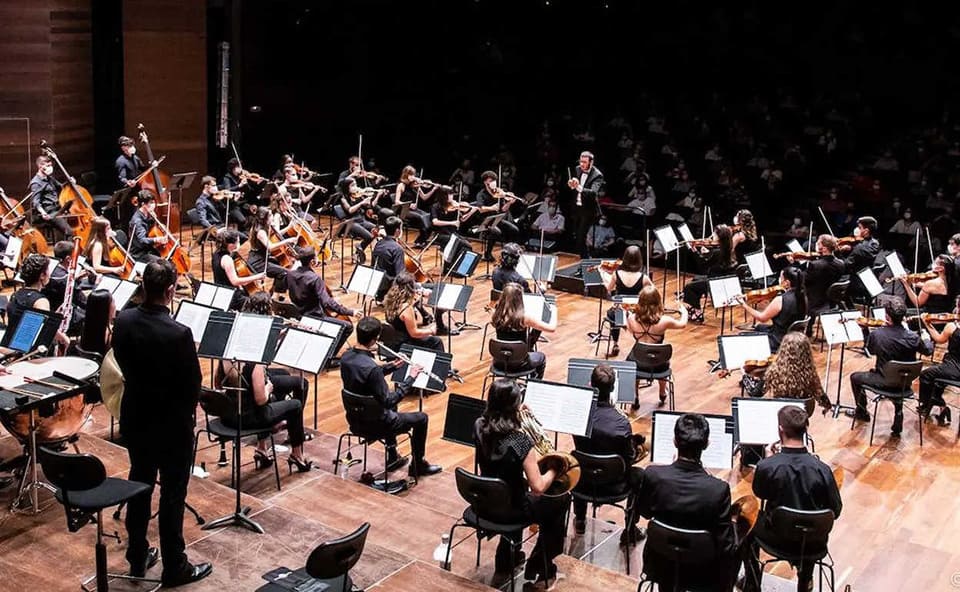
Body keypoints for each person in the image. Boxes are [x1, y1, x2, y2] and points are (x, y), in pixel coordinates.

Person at [113, 259, 212, 586]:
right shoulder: (179, 333)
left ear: (143, 286)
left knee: (139, 485)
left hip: (136, 418)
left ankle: (137, 557)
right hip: (171, 427)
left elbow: (121, 363)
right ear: (170, 291)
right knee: (172, 495)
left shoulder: (123, 321)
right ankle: (174, 566)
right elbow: (192, 385)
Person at [474, 379, 569, 584]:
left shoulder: (479, 425)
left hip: (487, 499)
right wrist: (554, 469)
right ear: (513, 406)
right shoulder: (520, 440)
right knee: (560, 499)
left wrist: (516, 415)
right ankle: (542, 565)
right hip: (513, 508)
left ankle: (506, 559)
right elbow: (537, 487)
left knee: (513, 488)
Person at [740, 407, 842, 592]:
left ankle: (752, 583)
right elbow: (836, 509)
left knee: (745, 521)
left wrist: (767, 461)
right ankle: (805, 579)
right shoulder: (822, 469)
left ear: (780, 430)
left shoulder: (768, 465)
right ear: (806, 429)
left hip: (777, 538)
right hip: (813, 543)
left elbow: (760, 493)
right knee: (811, 525)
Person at [635, 413, 737, 591]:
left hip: (660, 563)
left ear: (675, 442)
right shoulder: (718, 489)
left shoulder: (653, 475)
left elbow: (644, 512)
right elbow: (725, 544)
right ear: (706, 444)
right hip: (701, 571)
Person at [217, 293, 312, 472]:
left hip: (230, 413)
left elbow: (220, 385)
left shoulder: (226, 354)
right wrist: (267, 387)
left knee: (283, 378)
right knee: (295, 404)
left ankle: (263, 447)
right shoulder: (256, 359)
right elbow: (260, 399)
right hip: (249, 417)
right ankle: (297, 454)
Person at [340, 316, 441, 478]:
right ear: (375, 339)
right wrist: (411, 378)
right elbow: (389, 400)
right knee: (421, 418)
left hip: (355, 420)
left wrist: (391, 366)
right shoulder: (371, 368)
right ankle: (418, 465)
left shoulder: (346, 357)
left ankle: (393, 456)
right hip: (376, 424)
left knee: (389, 408)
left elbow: (364, 375)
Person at [571, 364, 646, 546]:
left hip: (584, 482)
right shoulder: (621, 423)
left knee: (577, 462)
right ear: (613, 389)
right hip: (614, 486)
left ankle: (580, 519)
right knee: (640, 475)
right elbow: (628, 459)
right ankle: (629, 529)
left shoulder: (579, 415)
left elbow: (579, 447)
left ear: (590, 384)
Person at [848, 296, 932, 435]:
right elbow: (928, 350)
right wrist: (926, 337)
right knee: (898, 375)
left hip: (884, 381)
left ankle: (862, 412)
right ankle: (898, 410)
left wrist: (865, 330)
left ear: (887, 316)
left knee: (855, 377)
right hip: (905, 383)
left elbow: (870, 350)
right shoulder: (913, 337)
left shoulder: (879, 334)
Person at [286, 245, 360, 356]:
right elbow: (327, 302)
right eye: (316, 257)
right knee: (348, 327)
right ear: (312, 262)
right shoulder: (314, 279)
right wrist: (350, 312)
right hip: (314, 317)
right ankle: (328, 357)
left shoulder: (290, 274)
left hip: (298, 315)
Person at [626, 285, 688, 406]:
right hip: (659, 364)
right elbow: (682, 324)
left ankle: (635, 395)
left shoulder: (632, 318)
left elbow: (629, 330)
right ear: (658, 302)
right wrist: (684, 312)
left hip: (638, 362)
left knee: (633, 360)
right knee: (663, 359)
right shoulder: (664, 321)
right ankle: (662, 393)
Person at [490, 282, 556, 377]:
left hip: (499, 362)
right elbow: (552, 328)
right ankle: (533, 385)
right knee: (541, 357)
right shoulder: (524, 318)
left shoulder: (496, 315)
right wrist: (554, 311)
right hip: (520, 363)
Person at [738, 266, 807, 352]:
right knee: (759, 327)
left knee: (741, 336)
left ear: (787, 283)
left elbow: (762, 318)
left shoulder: (780, 300)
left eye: (781, 278)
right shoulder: (803, 296)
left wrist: (744, 305)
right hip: (793, 338)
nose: (779, 280)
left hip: (778, 340)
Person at [601, 245, 653, 356]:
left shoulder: (617, 274)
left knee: (611, 314)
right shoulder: (644, 278)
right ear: (639, 259)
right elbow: (653, 293)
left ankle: (615, 343)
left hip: (619, 312)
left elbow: (609, 290)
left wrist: (604, 276)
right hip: (637, 313)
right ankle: (640, 343)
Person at [682, 225, 738, 324]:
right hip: (722, 279)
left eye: (715, 234)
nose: (713, 235)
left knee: (689, 287)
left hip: (716, 282)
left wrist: (694, 250)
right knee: (696, 279)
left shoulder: (717, 252)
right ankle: (694, 307)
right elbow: (715, 262)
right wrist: (707, 254)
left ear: (720, 237)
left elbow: (703, 266)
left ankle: (697, 312)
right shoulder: (727, 249)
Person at [918, 306, 960, 425]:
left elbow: (939, 339)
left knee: (926, 375)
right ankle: (940, 407)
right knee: (939, 376)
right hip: (951, 367)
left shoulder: (952, 327)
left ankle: (929, 403)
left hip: (955, 367)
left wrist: (927, 323)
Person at [383, 271, 444, 352]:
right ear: (411, 288)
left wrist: (413, 303)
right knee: (436, 341)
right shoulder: (406, 308)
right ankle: (440, 364)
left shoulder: (389, 300)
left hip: (392, 341)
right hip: (405, 344)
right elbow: (414, 333)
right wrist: (431, 331)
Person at [210, 228, 266, 310]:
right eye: (238, 241)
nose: (239, 244)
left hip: (221, 292)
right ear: (231, 245)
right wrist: (257, 277)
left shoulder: (216, 254)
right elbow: (235, 281)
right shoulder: (227, 259)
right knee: (259, 304)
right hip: (231, 296)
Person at [41, 240, 88, 334]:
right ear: (68, 259)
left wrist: (76, 279)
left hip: (51, 310)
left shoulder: (50, 270)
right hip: (62, 318)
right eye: (76, 258)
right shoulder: (65, 279)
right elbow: (84, 303)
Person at [472, 171, 519, 261]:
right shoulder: (481, 194)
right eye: (491, 180)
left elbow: (503, 210)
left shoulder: (499, 193)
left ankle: (509, 252)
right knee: (496, 232)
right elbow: (480, 209)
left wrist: (509, 202)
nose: (494, 182)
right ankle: (487, 254)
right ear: (486, 182)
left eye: (494, 180)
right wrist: (491, 208)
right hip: (485, 220)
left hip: (497, 219)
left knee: (514, 230)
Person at [797, 235, 845, 321]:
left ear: (824, 248)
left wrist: (796, 264)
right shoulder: (840, 263)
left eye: (818, 243)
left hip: (816, 300)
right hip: (831, 300)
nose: (816, 245)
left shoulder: (816, 265)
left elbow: (803, 280)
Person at [247, 207, 294, 294]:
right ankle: (275, 295)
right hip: (257, 261)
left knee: (282, 265)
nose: (272, 216)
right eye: (270, 215)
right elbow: (270, 247)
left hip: (262, 257)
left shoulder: (263, 227)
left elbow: (276, 234)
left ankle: (272, 291)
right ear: (264, 218)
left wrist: (288, 227)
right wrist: (286, 241)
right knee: (284, 272)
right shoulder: (260, 231)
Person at [567, 151, 605, 257]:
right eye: (581, 161)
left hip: (588, 211)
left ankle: (586, 262)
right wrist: (572, 183)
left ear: (591, 162)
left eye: (584, 162)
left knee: (580, 237)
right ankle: (584, 261)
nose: (582, 164)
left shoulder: (598, 175)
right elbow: (575, 184)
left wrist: (578, 187)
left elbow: (593, 193)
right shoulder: (578, 169)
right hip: (577, 208)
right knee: (576, 237)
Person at [338, 177, 381, 264]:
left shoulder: (358, 195)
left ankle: (359, 254)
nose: (356, 187)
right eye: (353, 185)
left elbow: (371, 205)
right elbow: (350, 210)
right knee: (369, 236)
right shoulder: (343, 198)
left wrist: (377, 195)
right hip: (351, 222)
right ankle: (358, 252)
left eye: (356, 184)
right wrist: (361, 203)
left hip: (361, 220)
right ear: (347, 187)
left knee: (377, 230)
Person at [29, 155, 74, 239]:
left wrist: (69, 182)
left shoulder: (49, 178)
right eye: (48, 166)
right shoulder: (36, 183)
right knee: (69, 232)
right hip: (49, 213)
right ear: (40, 166)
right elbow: (35, 201)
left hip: (58, 209)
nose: (50, 168)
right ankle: (69, 250)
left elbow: (61, 187)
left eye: (51, 165)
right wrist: (42, 212)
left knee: (74, 224)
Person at [839, 216, 881, 302]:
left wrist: (839, 253)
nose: (857, 230)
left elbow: (846, 265)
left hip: (858, 282)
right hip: (870, 278)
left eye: (860, 228)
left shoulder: (859, 248)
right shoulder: (875, 243)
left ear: (866, 230)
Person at [394, 166, 436, 248]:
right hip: (404, 210)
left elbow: (424, 197)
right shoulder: (401, 185)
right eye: (411, 175)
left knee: (428, 216)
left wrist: (433, 189)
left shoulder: (415, 185)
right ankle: (421, 241)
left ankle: (421, 240)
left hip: (413, 210)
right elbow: (397, 202)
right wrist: (409, 205)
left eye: (413, 175)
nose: (413, 177)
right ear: (406, 175)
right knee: (421, 217)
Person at [371, 216, 406, 301]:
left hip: (378, 287)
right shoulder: (397, 249)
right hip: (390, 291)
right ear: (397, 231)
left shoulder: (378, 243)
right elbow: (400, 275)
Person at [127, 191, 166, 263]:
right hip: (139, 254)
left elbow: (153, 231)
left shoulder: (149, 214)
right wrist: (156, 240)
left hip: (149, 248)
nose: (153, 205)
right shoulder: (137, 221)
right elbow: (142, 240)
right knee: (162, 263)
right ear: (143, 204)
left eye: (154, 202)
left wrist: (156, 221)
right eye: (151, 203)